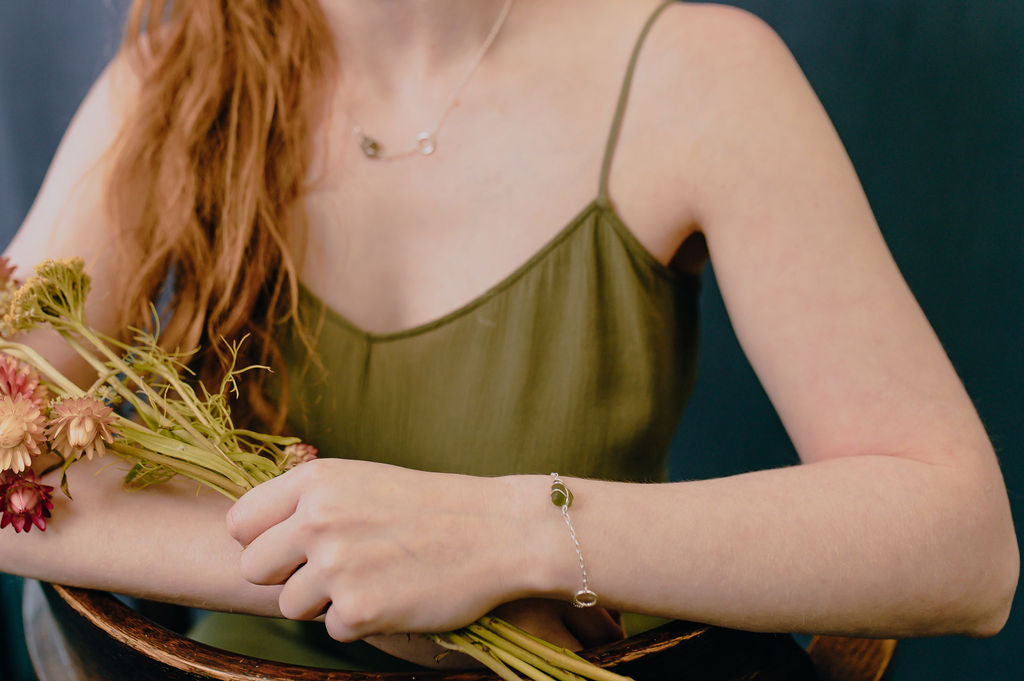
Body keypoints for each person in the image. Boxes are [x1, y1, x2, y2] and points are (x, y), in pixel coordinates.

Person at [0, 0, 1017, 672]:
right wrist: (357, 580)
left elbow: (966, 548)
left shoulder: (698, 77)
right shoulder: (176, 79)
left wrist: (511, 538)